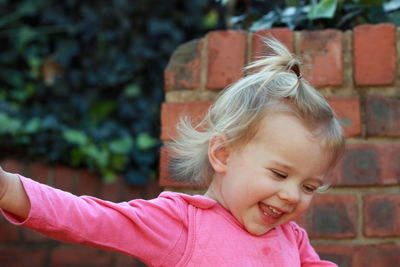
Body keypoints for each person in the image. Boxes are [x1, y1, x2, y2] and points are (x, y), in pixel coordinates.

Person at [0, 38, 345, 266]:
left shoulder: (292, 241)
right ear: (223, 154)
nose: (291, 195)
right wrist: (8, 188)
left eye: (309, 187)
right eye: (280, 174)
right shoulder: (181, 224)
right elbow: (89, 219)